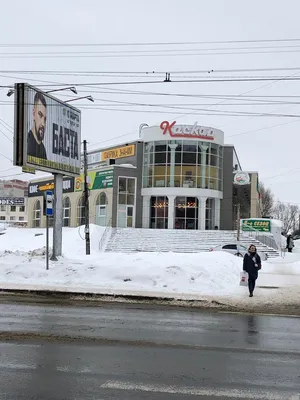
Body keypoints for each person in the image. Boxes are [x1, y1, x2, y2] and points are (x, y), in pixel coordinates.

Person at [27, 91, 47, 160]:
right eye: (40, 115)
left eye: (44, 119)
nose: (43, 123)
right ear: (33, 113)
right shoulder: (27, 142)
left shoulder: (43, 149)